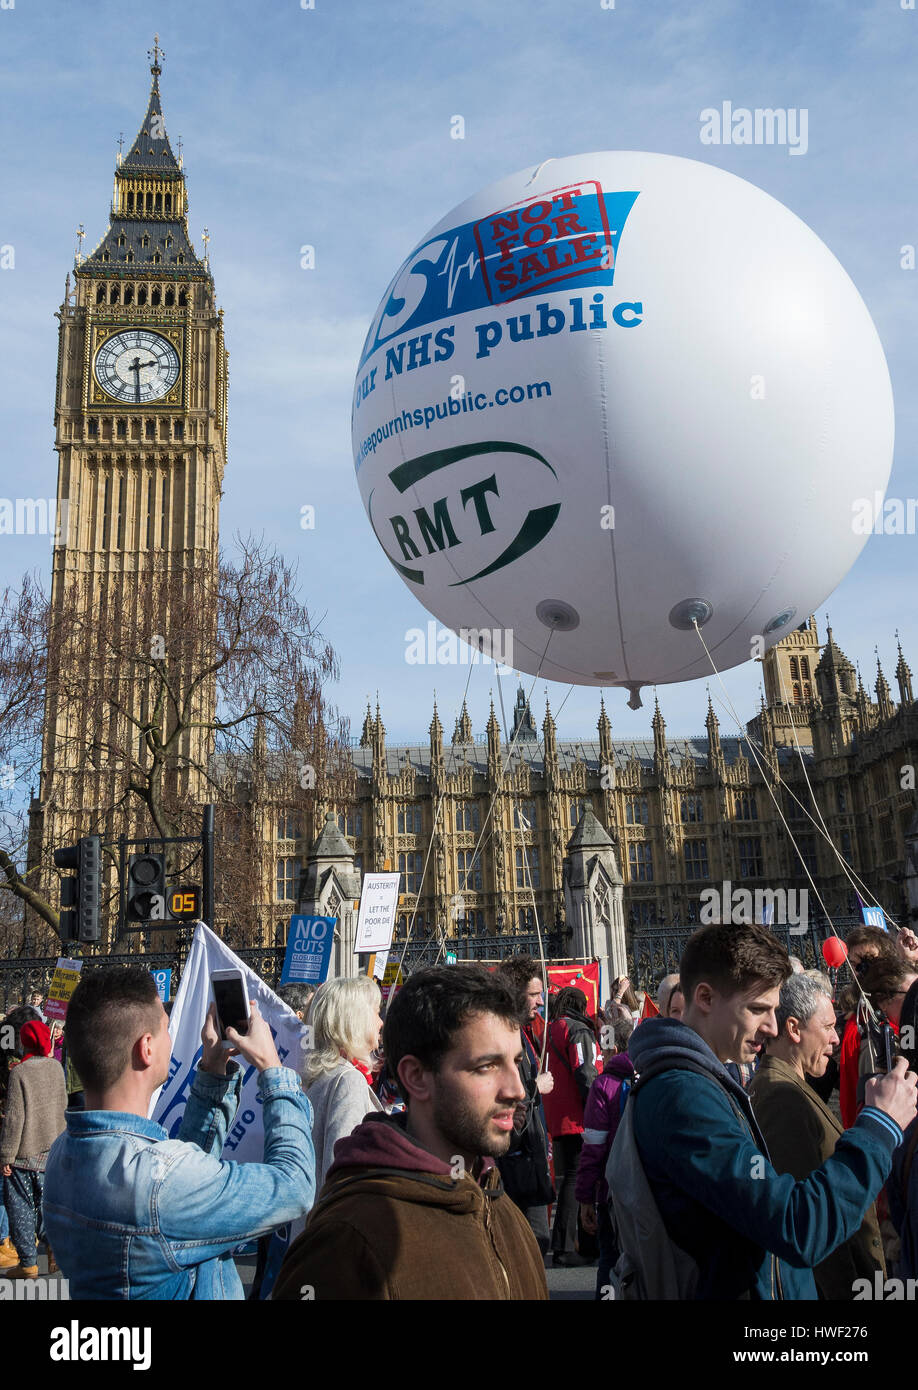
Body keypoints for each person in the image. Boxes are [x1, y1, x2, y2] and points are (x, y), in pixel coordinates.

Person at [625, 922, 917, 1299]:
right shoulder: (683, 1098)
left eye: (775, 1010)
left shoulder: (702, 1083)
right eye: (758, 1009)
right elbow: (797, 1225)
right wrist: (879, 1126)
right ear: (706, 998)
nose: (772, 1026)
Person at [272, 964, 548, 1300]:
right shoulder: (347, 1243)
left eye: (516, 1063)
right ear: (416, 1077)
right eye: (486, 1066)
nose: (517, 1090)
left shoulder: (506, 1216)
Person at [42, 966, 315, 1299]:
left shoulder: (62, 1153)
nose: (171, 1037)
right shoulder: (158, 1183)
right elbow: (294, 1187)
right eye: (165, 1028)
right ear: (147, 1048)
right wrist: (272, 1068)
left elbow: (180, 1183)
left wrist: (213, 1069)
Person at [748, 972, 886, 1299]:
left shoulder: (791, 1087)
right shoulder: (781, 1097)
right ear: (794, 1029)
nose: (836, 1039)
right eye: (827, 1028)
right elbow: (808, 1220)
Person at [495, 955, 554, 1254]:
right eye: (534, 994)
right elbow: (504, 1093)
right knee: (529, 1249)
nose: (541, 1002)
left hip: (528, 1159)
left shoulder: (521, 1035)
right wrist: (536, 1086)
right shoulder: (505, 1037)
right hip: (515, 1163)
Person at [0, 1019, 67, 1278]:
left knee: (21, 1207)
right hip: (52, 1150)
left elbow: (15, 1118)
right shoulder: (56, 1068)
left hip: (25, 1154)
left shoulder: (20, 1071)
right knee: (49, 1203)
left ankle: (28, 1263)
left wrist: (6, 1154)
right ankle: (54, 1255)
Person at [577, 1013, 634, 1298]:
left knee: (609, 1262)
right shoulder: (648, 1075)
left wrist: (586, 1196)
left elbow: (594, 1148)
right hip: (644, 1191)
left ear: (611, 1048)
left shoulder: (603, 1085)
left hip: (611, 1193)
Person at [542, 984, 600, 1266]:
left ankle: (578, 1243)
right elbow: (584, 1070)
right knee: (578, 1179)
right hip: (577, 1116)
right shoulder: (577, 1030)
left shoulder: (553, 1028)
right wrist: (596, 1106)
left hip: (557, 1113)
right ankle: (566, 1247)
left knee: (570, 1178)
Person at [839, 925, 901, 1126]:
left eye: (867, 962)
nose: (860, 971)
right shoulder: (854, 1015)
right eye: (854, 964)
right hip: (859, 1124)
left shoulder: (897, 1010)